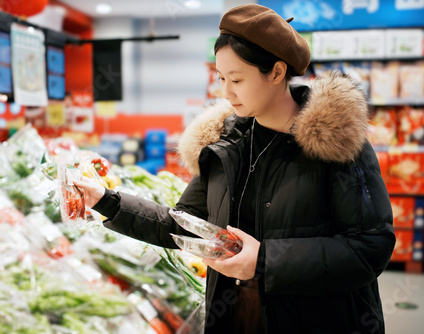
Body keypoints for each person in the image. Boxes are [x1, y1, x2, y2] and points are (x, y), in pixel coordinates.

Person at [75, 4, 395, 334]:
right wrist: (106, 200)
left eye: (237, 79)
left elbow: (370, 247)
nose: (226, 92)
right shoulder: (226, 145)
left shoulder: (336, 145)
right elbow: (186, 225)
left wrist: (266, 259)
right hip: (234, 316)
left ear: (276, 72)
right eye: (221, 78)